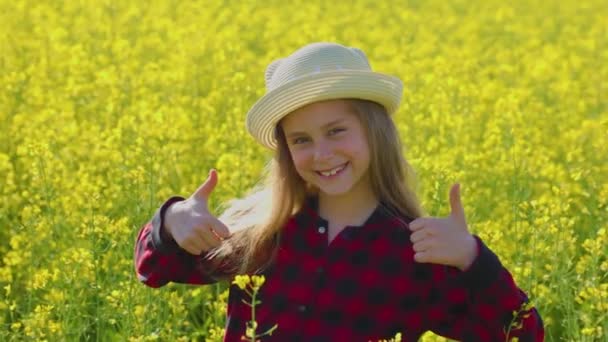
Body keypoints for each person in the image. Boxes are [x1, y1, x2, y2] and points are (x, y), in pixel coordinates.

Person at [134, 42, 544, 341]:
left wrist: (472, 259)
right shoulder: (263, 234)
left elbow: (520, 334)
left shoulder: (413, 251)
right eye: (301, 140)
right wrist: (172, 222)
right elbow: (155, 270)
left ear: (375, 132)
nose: (322, 154)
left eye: (336, 131)